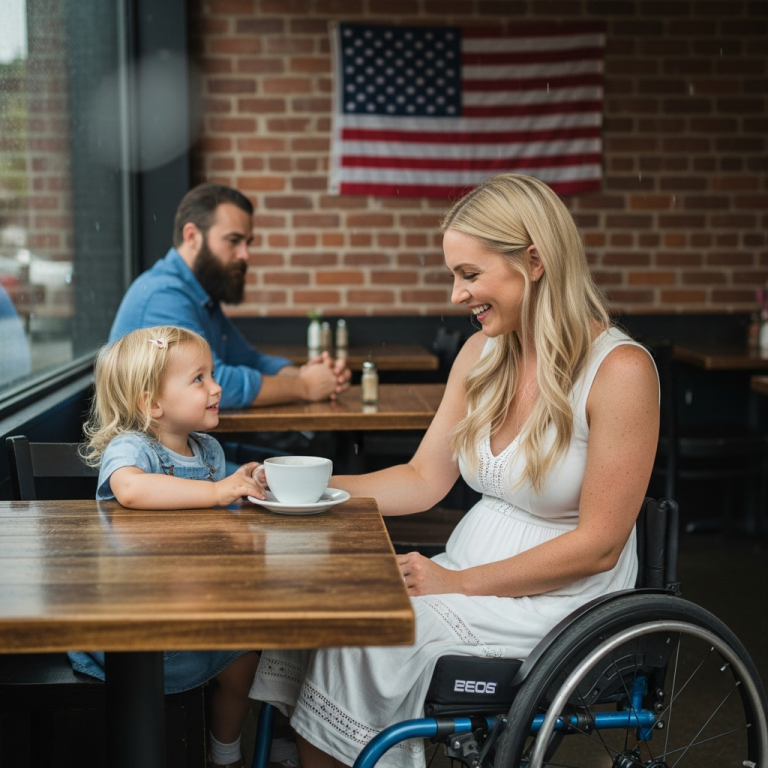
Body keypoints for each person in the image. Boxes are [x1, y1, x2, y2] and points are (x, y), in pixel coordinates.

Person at [248, 174, 660, 768]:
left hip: (558, 602)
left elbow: (598, 546)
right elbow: (423, 478)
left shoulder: (619, 370)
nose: (456, 295)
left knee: (376, 635)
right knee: (334, 613)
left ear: (535, 260)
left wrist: (456, 584)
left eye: (469, 275)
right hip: (465, 576)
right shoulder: (482, 353)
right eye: (454, 276)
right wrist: (309, 489)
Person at [69, 325, 266, 768]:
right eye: (199, 378)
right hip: (132, 635)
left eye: (211, 374)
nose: (215, 387)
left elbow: (216, 521)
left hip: (191, 612)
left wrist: (245, 484)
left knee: (248, 665)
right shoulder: (131, 449)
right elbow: (132, 491)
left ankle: (225, 753)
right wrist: (217, 493)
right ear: (152, 404)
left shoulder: (208, 451)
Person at [109, 183, 350, 409]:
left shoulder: (200, 293)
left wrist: (312, 375)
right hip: (158, 454)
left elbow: (249, 359)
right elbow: (216, 384)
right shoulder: (164, 295)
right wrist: (305, 387)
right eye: (233, 240)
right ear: (192, 236)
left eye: (247, 243)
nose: (245, 254)